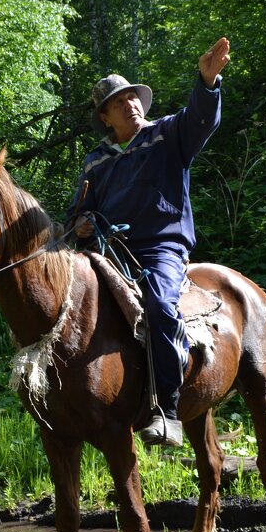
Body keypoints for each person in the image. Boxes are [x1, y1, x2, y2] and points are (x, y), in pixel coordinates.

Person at [66, 38, 231, 449]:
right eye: (119, 102)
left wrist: (207, 83)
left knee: (159, 307)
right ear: (105, 117)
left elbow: (200, 121)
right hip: (109, 252)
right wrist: (82, 223)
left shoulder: (168, 134)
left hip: (161, 247)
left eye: (133, 98)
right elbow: (79, 211)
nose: (130, 104)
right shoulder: (95, 160)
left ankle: (167, 410)